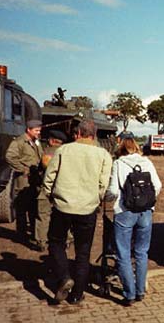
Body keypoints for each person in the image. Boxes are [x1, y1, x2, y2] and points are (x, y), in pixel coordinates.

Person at [42, 120, 112, 305]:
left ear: (78, 133)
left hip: (62, 207)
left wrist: (52, 195)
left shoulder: (63, 150)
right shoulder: (103, 154)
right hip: (87, 209)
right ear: (94, 135)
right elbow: (103, 184)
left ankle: (64, 277)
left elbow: (49, 177)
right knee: (83, 251)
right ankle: (77, 294)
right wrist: (94, 199)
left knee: (56, 243)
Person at [105, 137, 162, 306]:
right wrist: (146, 200)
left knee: (123, 253)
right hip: (145, 212)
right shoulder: (147, 162)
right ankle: (140, 291)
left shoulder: (118, 164)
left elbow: (114, 191)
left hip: (125, 211)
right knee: (142, 252)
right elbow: (157, 186)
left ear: (120, 149)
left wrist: (107, 197)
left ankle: (129, 293)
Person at [5, 119, 44, 241]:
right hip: (23, 179)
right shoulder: (19, 142)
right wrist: (23, 169)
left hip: (35, 179)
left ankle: (33, 233)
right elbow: (10, 157)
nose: (38, 132)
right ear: (28, 130)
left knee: (34, 207)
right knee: (22, 207)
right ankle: (21, 235)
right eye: (36, 130)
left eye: (39, 130)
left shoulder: (36, 142)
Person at [32, 129, 68, 252]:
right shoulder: (66, 153)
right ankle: (67, 238)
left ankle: (41, 241)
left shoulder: (45, 152)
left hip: (46, 188)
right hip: (62, 189)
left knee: (43, 215)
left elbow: (39, 168)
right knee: (64, 215)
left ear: (51, 141)